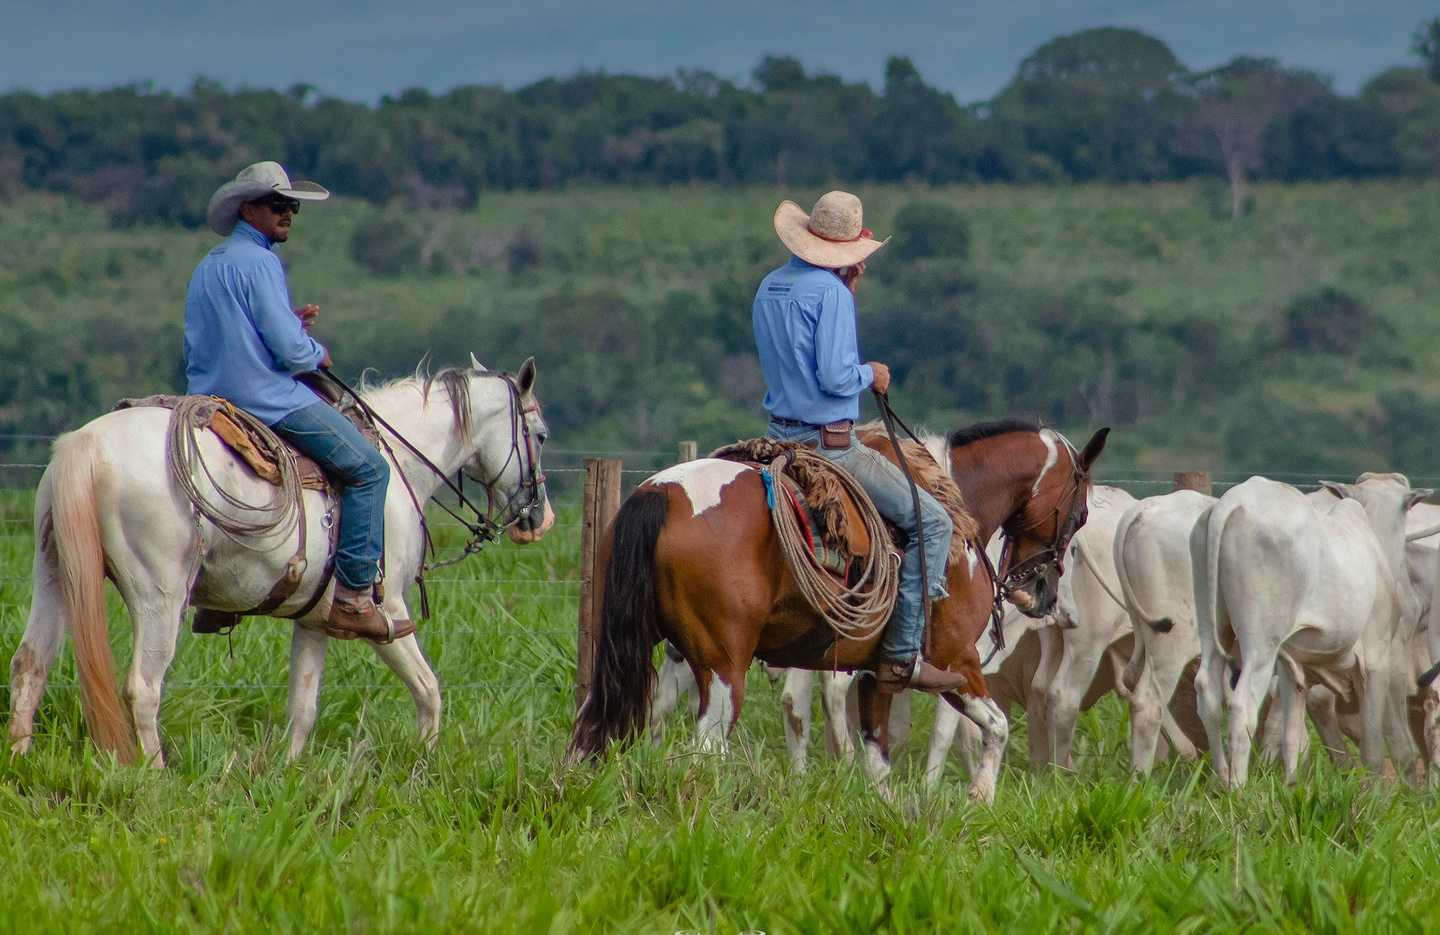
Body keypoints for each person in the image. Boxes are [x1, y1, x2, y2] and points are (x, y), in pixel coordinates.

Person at [185, 160, 413, 644]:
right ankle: (353, 598)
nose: (288, 212)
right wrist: (314, 349)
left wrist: (289, 323)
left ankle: (215, 602)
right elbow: (289, 354)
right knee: (370, 468)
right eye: (277, 204)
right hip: (266, 400)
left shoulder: (210, 264)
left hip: (209, 398)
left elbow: (227, 337)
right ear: (248, 208)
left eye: (291, 206)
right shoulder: (263, 262)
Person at [752, 190, 961, 693]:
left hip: (777, 436)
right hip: (828, 445)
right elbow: (832, 374)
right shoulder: (832, 294)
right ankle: (904, 654)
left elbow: (801, 358)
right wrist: (872, 374)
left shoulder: (771, 286)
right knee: (933, 521)